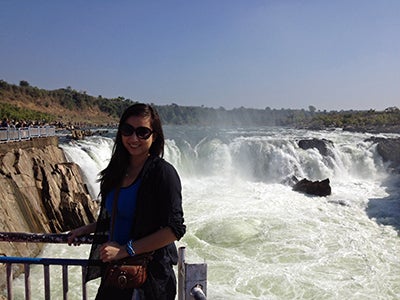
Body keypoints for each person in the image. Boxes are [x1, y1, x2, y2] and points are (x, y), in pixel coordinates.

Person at [68, 103, 186, 300]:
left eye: (143, 132)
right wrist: (85, 230)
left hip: (147, 278)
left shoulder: (162, 173)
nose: (133, 138)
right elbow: (120, 215)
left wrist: (124, 250)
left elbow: (174, 230)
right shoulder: (116, 171)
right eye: (127, 130)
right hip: (116, 273)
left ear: (154, 136)